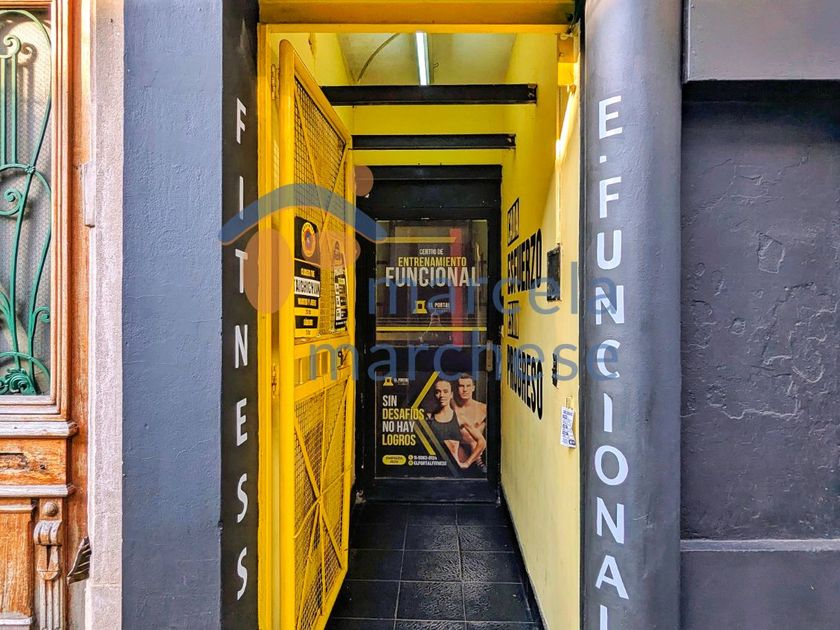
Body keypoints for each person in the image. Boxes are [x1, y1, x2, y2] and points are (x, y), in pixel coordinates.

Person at [426, 378, 484, 471]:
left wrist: (467, 463)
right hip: (433, 469)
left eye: (445, 391)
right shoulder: (428, 418)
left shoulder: (460, 418)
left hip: (454, 472)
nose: (442, 395)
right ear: (434, 395)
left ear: (451, 394)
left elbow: (482, 442)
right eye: (438, 392)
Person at [453, 373, 488, 472]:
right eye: (461, 386)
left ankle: (478, 462)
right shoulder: (452, 407)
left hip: (479, 450)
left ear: (473, 388)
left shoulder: (483, 408)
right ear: (457, 389)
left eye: (468, 386)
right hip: (459, 451)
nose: (465, 390)